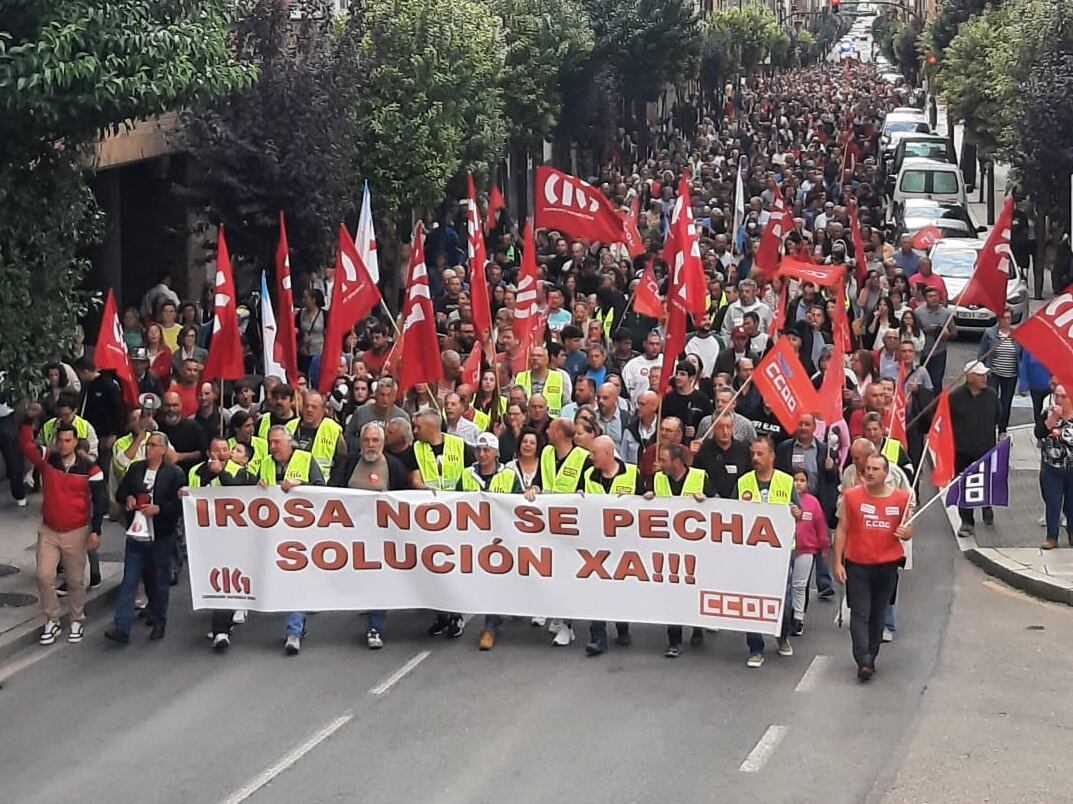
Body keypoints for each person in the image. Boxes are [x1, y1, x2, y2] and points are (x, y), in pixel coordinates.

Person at [19, 421, 105, 646]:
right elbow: (27, 447)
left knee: (75, 580)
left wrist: (95, 531)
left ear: (76, 442)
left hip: (77, 531)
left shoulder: (91, 469)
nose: (64, 444)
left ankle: (76, 619)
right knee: (44, 576)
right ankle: (52, 619)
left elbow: (101, 501)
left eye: (68, 440)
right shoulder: (48, 459)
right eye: (60, 440)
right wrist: (27, 421)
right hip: (49, 530)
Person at [832, 454, 912, 682]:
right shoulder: (851, 496)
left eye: (875, 469)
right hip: (858, 565)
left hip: (887, 565)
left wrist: (907, 533)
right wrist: (837, 562)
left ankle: (872, 653)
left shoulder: (901, 499)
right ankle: (863, 659)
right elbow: (842, 529)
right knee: (859, 612)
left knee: (878, 612)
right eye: (867, 468)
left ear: (886, 473)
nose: (869, 472)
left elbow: (907, 528)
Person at [335, 421, 409, 646]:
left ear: (383, 443)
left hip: (382, 537)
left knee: (378, 579)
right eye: (366, 440)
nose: (370, 444)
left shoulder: (393, 466)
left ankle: (375, 628)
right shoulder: (349, 464)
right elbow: (331, 491)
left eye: (375, 440)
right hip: (352, 536)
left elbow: (406, 499)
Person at [106, 431, 184, 645]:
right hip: (136, 534)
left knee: (158, 581)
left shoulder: (174, 473)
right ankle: (122, 627)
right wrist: (128, 498)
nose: (149, 448)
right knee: (129, 580)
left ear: (163, 450)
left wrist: (159, 509)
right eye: (148, 444)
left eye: (153, 445)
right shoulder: (136, 469)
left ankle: (159, 621)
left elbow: (178, 507)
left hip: (160, 537)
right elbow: (121, 493)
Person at [259, 425, 325, 654]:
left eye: (277, 442)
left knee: (295, 579)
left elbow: (322, 490)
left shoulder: (306, 459)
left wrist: (301, 488)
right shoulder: (266, 463)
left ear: (289, 443)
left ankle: (293, 631)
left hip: (301, 534)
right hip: (274, 533)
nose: (272, 447)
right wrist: (258, 488)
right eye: (270, 442)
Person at [735, 437, 799, 668]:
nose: (755, 458)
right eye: (753, 454)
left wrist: (796, 512)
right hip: (752, 552)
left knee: (785, 599)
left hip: (781, 551)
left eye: (760, 454)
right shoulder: (743, 482)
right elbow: (730, 512)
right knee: (752, 599)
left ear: (771, 456)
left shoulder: (786, 481)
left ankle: (782, 635)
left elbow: (798, 510)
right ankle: (755, 648)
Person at [458, 432, 524, 650]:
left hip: (500, 538)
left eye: (487, 450)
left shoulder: (509, 476)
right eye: (479, 450)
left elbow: (518, 505)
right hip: (472, 537)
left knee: (495, 579)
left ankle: (490, 626)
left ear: (496, 453)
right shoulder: (466, 474)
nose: (482, 454)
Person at [647, 443, 708, 657]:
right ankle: (674, 640)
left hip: (694, 548)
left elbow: (719, 505)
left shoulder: (700, 477)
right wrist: (647, 499)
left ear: (677, 462)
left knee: (693, 590)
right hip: (668, 547)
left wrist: (706, 501)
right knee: (672, 594)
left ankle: (697, 627)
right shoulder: (658, 479)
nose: (659, 464)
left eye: (664, 460)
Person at [582, 435, 640, 655]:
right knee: (596, 591)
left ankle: (622, 626)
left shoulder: (632, 473)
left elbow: (646, 503)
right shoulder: (588, 475)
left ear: (608, 453)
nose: (591, 457)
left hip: (624, 546)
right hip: (596, 545)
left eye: (594, 453)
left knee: (620, 589)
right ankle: (597, 637)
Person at [949, 361, 999, 537]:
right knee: (964, 485)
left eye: (985, 375)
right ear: (969, 377)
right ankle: (967, 521)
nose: (984, 378)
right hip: (962, 450)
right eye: (980, 375)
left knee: (986, 482)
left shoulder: (992, 395)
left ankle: (987, 506)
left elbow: (997, 416)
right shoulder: (955, 398)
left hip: (985, 449)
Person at [789, 469, 828, 637]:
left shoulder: (813, 503)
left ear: (807, 483)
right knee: (786, 586)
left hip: (806, 550)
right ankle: (785, 617)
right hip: (785, 550)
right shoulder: (783, 499)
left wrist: (823, 547)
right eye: (795, 480)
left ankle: (798, 618)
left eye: (802, 480)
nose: (798, 483)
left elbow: (820, 526)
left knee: (799, 586)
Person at [1036, 384, 1073, 550]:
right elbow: (1039, 432)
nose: (1058, 400)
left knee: (1071, 505)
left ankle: (1072, 532)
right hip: (1051, 468)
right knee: (1053, 503)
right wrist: (1052, 418)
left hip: (1071, 468)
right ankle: (1052, 536)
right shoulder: (1048, 413)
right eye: (1056, 396)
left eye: (1063, 397)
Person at [977, 309, 1021, 436]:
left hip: (1010, 375)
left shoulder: (1017, 334)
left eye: (1008, 318)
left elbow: (1021, 356)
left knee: (1006, 403)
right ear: (998, 319)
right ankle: (989, 429)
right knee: (991, 401)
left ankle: (1002, 430)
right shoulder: (990, 333)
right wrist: (981, 372)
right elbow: (982, 354)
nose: (1006, 321)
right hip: (993, 373)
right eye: (1004, 318)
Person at [287, 391, 346, 479]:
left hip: (321, 485)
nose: (309, 410)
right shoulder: (289, 427)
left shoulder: (333, 430)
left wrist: (333, 484)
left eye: (314, 407)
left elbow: (341, 462)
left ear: (323, 410)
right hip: (291, 483)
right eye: (306, 406)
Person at [914, 287, 955, 391]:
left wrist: (947, 334)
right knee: (920, 380)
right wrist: (926, 330)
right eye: (930, 296)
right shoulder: (918, 312)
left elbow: (955, 333)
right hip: (922, 352)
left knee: (936, 381)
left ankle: (936, 400)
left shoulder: (947, 313)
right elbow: (915, 332)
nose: (934, 299)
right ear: (925, 298)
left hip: (939, 352)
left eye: (936, 296)